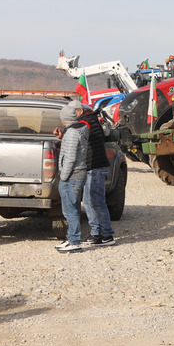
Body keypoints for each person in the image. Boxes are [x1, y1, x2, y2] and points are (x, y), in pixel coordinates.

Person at [73, 101, 116, 247]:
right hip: (93, 167)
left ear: (79, 110)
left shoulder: (86, 122)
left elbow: (75, 135)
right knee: (90, 201)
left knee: (96, 201)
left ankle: (106, 235)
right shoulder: (91, 120)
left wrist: (64, 134)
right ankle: (97, 234)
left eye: (73, 112)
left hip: (95, 167)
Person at [54, 104, 88, 252]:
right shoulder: (75, 130)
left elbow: (70, 157)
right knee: (69, 208)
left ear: (64, 118)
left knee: (71, 210)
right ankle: (71, 238)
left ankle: (74, 241)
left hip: (72, 176)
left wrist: (64, 175)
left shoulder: (73, 133)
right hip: (74, 175)